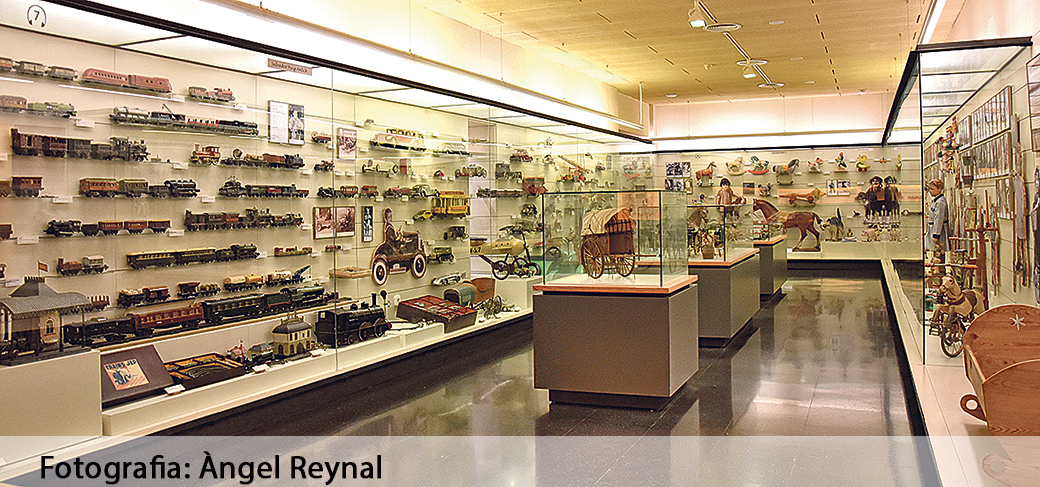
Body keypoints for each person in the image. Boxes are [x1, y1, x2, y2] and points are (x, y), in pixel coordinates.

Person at [927, 179, 949, 251]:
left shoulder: (940, 202)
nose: (930, 191)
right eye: (929, 189)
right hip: (933, 228)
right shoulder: (935, 201)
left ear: (939, 189)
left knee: (939, 250)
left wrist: (936, 235)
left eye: (932, 189)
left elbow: (939, 218)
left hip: (939, 231)